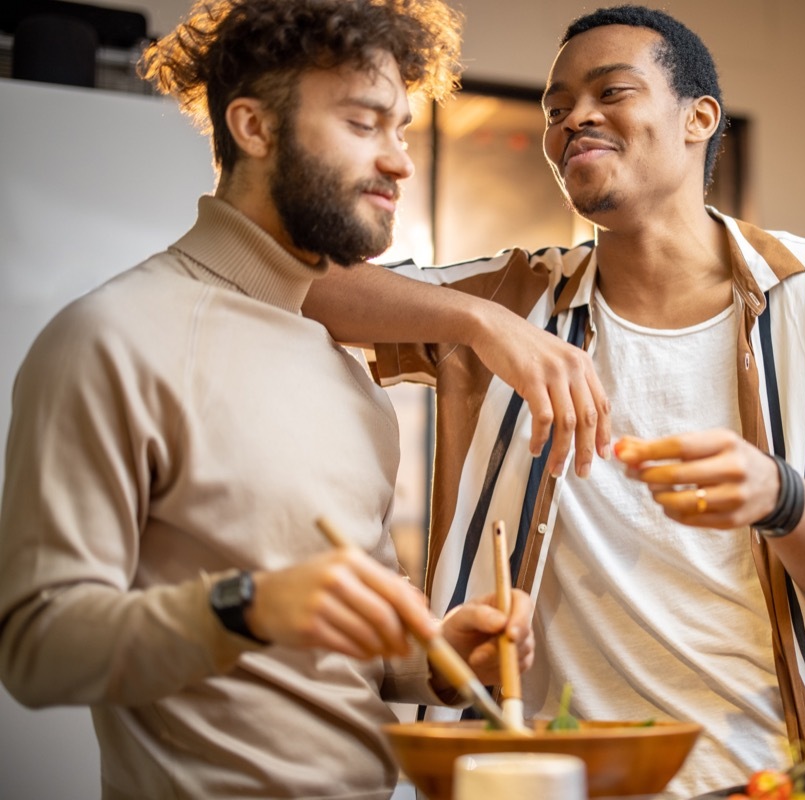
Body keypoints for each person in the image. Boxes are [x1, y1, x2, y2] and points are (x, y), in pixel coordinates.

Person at [303, 5, 805, 798]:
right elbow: (305, 286)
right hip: (558, 779)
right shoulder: (513, 299)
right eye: (556, 109)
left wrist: (777, 496)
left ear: (699, 119)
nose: (572, 119)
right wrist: (484, 323)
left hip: (777, 775)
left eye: (610, 91)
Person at [0, 1, 593, 798]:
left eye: (400, 130)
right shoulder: (113, 337)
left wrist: (438, 654)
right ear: (253, 127)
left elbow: (339, 651)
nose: (399, 161)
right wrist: (246, 605)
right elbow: (35, 649)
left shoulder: (345, 372)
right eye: (363, 123)